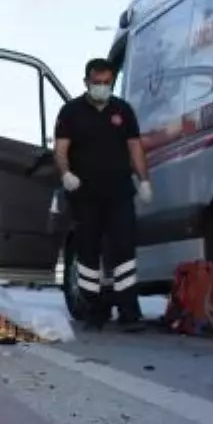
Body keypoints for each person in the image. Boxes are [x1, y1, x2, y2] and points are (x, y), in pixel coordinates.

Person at [54, 57, 152, 332]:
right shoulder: (71, 112)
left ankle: (129, 312)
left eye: (106, 83)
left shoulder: (123, 110)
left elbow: (134, 148)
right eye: (96, 83)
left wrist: (144, 180)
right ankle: (93, 310)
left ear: (112, 82)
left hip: (119, 191)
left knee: (124, 248)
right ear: (87, 82)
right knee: (88, 253)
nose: (101, 87)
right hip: (85, 194)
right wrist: (65, 174)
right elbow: (60, 150)